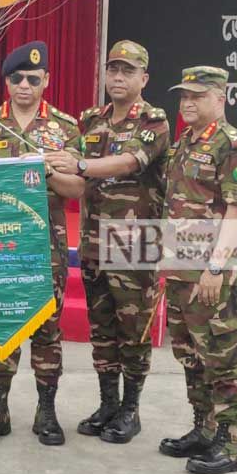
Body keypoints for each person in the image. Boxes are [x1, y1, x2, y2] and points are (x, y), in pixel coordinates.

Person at [0, 41, 84, 446]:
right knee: (1, 324)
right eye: (17, 78)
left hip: (44, 242)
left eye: (33, 78)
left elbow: (77, 188)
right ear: (6, 81)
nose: (25, 85)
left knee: (47, 329)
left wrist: (45, 172)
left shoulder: (64, 127)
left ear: (46, 79)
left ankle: (46, 412)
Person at [46, 40, 170, 444]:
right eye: (113, 69)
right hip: (95, 241)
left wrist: (80, 164)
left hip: (135, 244)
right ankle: (107, 404)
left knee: (132, 330)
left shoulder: (154, 121)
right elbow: (78, 185)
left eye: (128, 71)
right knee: (102, 329)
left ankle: (131, 410)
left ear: (144, 78)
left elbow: (130, 162)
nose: (118, 77)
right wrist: (47, 169)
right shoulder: (90, 120)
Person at [157, 66, 237, 474]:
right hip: (181, 267)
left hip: (214, 272)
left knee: (223, 357)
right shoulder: (185, 141)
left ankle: (229, 444)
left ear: (221, 98)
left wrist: (215, 267)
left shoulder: (233, 146)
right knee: (191, 354)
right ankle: (203, 428)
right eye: (184, 95)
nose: (188, 102)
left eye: (197, 96)